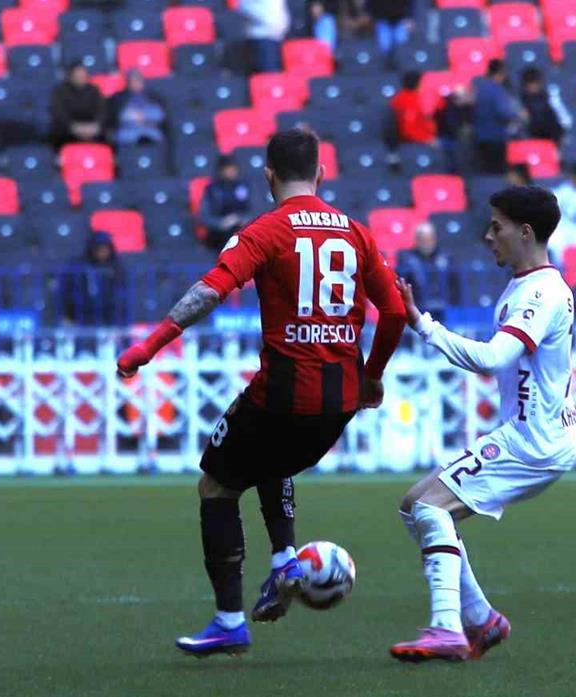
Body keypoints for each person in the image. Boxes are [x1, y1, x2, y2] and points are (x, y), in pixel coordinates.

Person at [116, 129, 408, 657]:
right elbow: (392, 312)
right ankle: (285, 560)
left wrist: (148, 347)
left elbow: (209, 292)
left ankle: (229, 620)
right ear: (321, 175)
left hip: (282, 393)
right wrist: (372, 374)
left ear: (268, 175)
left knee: (216, 486)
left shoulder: (266, 231)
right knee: (275, 455)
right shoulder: (357, 234)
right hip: (339, 403)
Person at [389, 185, 576, 662]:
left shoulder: (541, 292)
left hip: (533, 441)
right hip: (532, 432)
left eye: (497, 227)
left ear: (525, 232)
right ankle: (482, 619)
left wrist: (424, 326)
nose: (488, 236)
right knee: (415, 507)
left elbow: (494, 358)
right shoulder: (528, 284)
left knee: (431, 509)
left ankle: (447, 628)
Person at [395, 221, 457, 321]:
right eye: (423, 239)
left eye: (430, 239)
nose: (427, 243)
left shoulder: (445, 258)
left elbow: (455, 285)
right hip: (417, 309)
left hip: (443, 309)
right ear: (416, 240)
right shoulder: (406, 259)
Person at [472, 60, 523, 175]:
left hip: (480, 136)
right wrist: (518, 115)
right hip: (496, 137)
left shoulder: (480, 88)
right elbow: (504, 113)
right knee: (497, 173)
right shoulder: (498, 91)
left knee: (485, 172)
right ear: (500, 73)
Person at [62, 231, 123, 325]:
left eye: (106, 249)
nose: (103, 252)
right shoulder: (79, 266)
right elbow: (70, 293)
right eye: (99, 249)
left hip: (108, 316)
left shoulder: (116, 268)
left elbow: (119, 294)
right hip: (82, 316)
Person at [198, 156, 253, 253]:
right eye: (228, 169)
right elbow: (204, 217)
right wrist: (222, 223)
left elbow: (253, 211)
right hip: (219, 235)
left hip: (241, 230)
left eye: (233, 168)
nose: (231, 171)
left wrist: (240, 219)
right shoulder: (212, 189)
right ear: (221, 170)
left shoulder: (244, 186)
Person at [104, 70, 167, 147]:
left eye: (138, 80)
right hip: (127, 131)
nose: (135, 84)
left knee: (156, 136)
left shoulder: (153, 97)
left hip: (150, 130)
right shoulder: (118, 98)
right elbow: (116, 117)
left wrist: (144, 115)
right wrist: (130, 115)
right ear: (127, 83)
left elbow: (160, 115)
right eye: (132, 81)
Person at [50, 62, 105, 146]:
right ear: (70, 76)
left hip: (92, 129)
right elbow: (59, 113)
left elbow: (102, 111)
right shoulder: (60, 92)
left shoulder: (94, 91)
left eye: (83, 75)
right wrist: (74, 127)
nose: (80, 78)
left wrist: (95, 126)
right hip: (68, 130)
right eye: (77, 76)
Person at [388, 71, 438, 146]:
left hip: (418, 137)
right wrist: (428, 139)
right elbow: (408, 129)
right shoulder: (413, 102)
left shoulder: (398, 97)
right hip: (418, 141)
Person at [239, 0, 289, 73]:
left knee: (278, 74)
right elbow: (243, 6)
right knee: (268, 73)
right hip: (260, 37)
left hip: (279, 38)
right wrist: (267, 20)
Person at [518, 67, 565, 145]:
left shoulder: (546, 98)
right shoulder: (520, 100)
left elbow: (555, 121)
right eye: (531, 83)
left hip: (547, 135)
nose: (534, 86)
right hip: (530, 135)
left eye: (536, 82)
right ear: (525, 85)